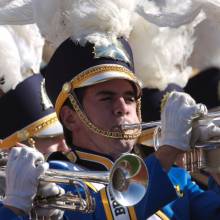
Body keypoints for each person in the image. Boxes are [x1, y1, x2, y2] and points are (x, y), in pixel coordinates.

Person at [1, 1, 220, 220]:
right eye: (107, 98)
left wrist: (216, 161)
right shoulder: (56, 182)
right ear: (70, 118)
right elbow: (111, 212)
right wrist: (168, 150)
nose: (122, 107)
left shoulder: (174, 177)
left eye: (130, 97)